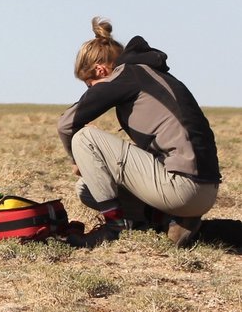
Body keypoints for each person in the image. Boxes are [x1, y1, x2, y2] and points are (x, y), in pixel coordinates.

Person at [58, 17, 220, 248]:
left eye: (89, 84)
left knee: (85, 138)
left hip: (183, 187)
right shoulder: (150, 75)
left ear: (100, 69)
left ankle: (113, 228)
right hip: (204, 190)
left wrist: (77, 160)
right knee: (87, 189)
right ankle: (169, 221)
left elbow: (65, 124)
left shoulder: (126, 76)